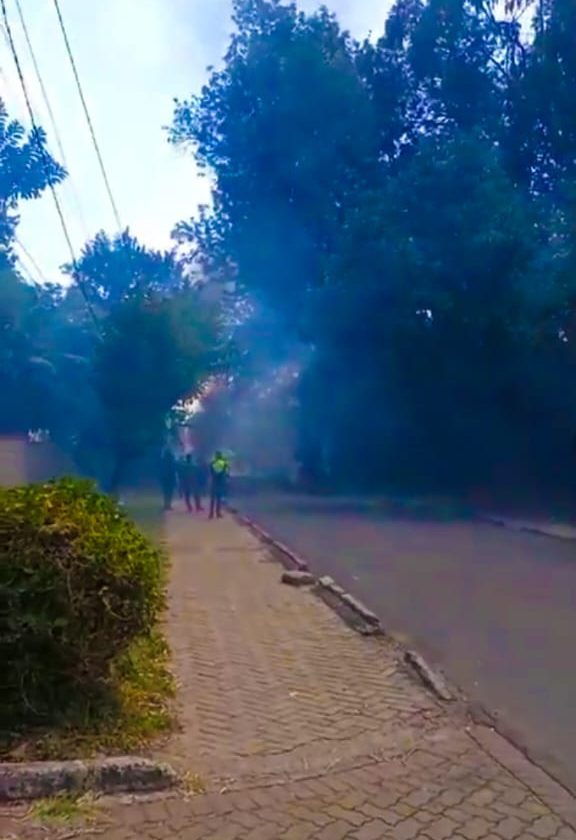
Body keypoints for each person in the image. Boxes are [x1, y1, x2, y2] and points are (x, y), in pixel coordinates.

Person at [209, 450, 230, 519]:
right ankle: (218, 513)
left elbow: (211, 472)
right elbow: (227, 471)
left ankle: (211, 514)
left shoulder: (212, 463)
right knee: (218, 499)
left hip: (214, 482)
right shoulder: (224, 463)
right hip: (220, 483)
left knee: (213, 499)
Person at [160, 445, 177, 511]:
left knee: (166, 492)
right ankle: (168, 505)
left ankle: (166, 505)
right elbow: (174, 468)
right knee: (169, 492)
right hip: (170, 477)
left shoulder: (163, 459)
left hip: (165, 478)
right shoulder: (171, 459)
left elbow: (161, 469)